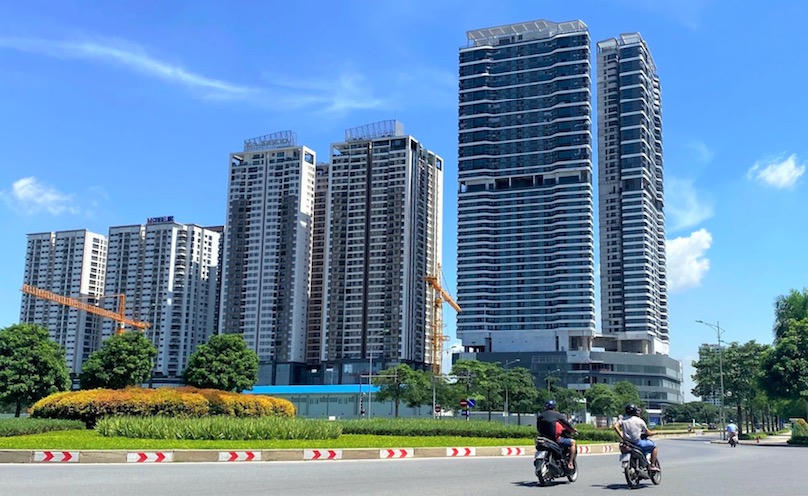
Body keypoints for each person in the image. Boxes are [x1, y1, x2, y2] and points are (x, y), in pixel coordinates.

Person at [613, 404, 659, 471]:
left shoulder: (622, 420)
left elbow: (615, 426)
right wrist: (655, 433)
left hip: (626, 443)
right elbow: (648, 433)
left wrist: (621, 435)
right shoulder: (639, 420)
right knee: (654, 447)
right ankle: (652, 465)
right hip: (637, 443)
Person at [537, 400, 578, 469]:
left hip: (543, 439)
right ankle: (570, 463)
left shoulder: (541, 416)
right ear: (554, 407)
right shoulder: (557, 415)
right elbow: (566, 424)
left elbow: (538, 428)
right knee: (573, 442)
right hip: (555, 439)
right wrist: (573, 430)